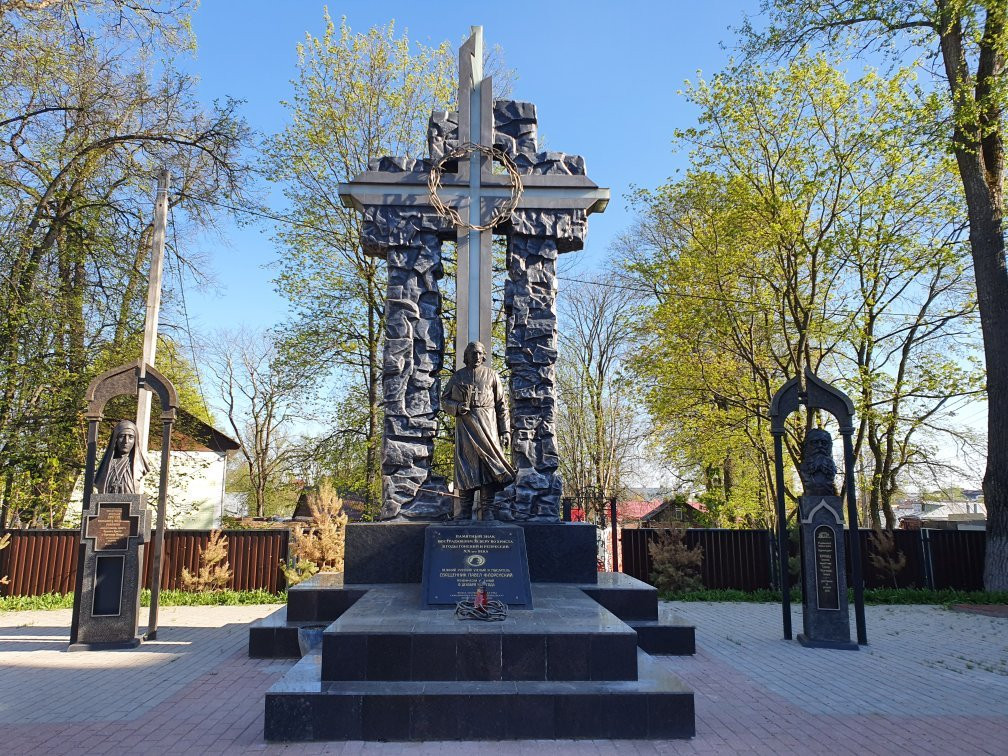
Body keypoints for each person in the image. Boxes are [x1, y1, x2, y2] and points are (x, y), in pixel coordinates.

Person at [441, 341, 515, 520]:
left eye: (479, 353)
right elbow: (444, 400)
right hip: (466, 426)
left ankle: (487, 510)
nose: (476, 356)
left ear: (484, 356)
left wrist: (505, 431)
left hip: (488, 425)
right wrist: (457, 407)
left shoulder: (492, 375)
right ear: (466, 356)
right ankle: (464, 510)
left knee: (488, 466)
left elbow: (502, 405)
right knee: (466, 466)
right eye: (472, 353)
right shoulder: (458, 377)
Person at [94, 419, 150, 494]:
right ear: (115, 439)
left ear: (135, 440)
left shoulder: (139, 467)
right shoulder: (105, 467)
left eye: (130, 437)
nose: (126, 441)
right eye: (122, 436)